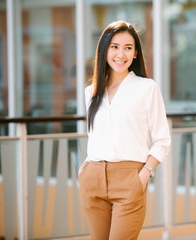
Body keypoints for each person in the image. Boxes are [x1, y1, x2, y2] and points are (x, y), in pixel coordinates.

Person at [78, 21, 171, 240]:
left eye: (128, 47)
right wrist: (84, 170)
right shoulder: (91, 92)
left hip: (130, 177)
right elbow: (96, 135)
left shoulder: (147, 88)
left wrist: (144, 174)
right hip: (93, 177)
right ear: (104, 50)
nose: (121, 54)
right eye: (114, 46)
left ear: (136, 53)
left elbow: (162, 140)